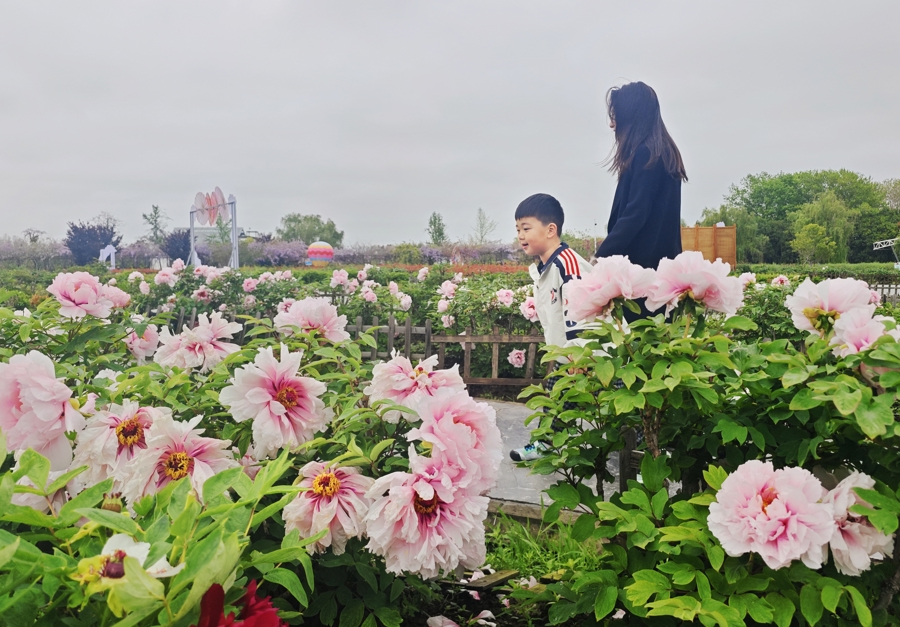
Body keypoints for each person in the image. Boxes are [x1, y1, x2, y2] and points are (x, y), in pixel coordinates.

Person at [509, 193, 592, 462]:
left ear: (550, 229)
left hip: (590, 355)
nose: (520, 236)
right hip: (568, 354)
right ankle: (546, 443)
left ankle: (645, 454)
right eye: (517, 229)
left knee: (619, 405)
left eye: (526, 228)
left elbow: (579, 310)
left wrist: (579, 353)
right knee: (557, 397)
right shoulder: (545, 268)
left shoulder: (567, 263)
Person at [594, 81, 687, 319]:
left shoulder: (646, 154)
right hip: (661, 274)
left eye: (616, 116)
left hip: (642, 278)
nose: (612, 124)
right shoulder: (661, 152)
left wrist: (600, 258)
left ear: (631, 117)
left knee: (641, 336)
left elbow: (636, 212)